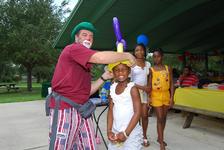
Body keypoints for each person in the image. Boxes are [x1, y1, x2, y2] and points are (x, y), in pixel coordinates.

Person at [47, 22, 136, 150]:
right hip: (64, 109)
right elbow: (99, 57)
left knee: (89, 146)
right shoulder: (73, 49)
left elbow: (86, 92)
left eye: (91, 36)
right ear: (77, 38)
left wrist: (104, 77)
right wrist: (126, 55)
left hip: (82, 110)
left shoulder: (84, 64)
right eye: (84, 35)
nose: (88, 38)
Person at [107, 62, 142, 150]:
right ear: (113, 73)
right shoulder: (112, 88)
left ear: (129, 71)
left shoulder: (132, 88)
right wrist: (109, 130)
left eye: (123, 70)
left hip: (131, 131)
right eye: (117, 70)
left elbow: (138, 112)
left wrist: (126, 133)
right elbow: (110, 110)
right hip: (116, 130)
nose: (120, 72)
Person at [148, 48, 174, 150]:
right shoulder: (152, 69)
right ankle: (161, 143)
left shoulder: (168, 68)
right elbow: (149, 85)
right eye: (154, 56)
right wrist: (149, 98)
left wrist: (172, 97)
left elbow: (172, 83)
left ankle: (160, 137)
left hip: (166, 95)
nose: (156, 58)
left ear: (162, 57)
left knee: (164, 117)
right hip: (156, 95)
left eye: (158, 56)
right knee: (159, 118)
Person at [130, 43, 151, 147]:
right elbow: (129, 81)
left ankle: (144, 136)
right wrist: (143, 88)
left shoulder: (148, 64)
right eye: (137, 50)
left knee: (145, 115)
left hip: (145, 93)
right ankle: (136, 136)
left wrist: (149, 90)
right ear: (134, 52)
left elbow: (149, 79)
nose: (139, 52)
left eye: (141, 50)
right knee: (136, 116)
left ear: (144, 51)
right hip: (135, 92)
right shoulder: (132, 64)